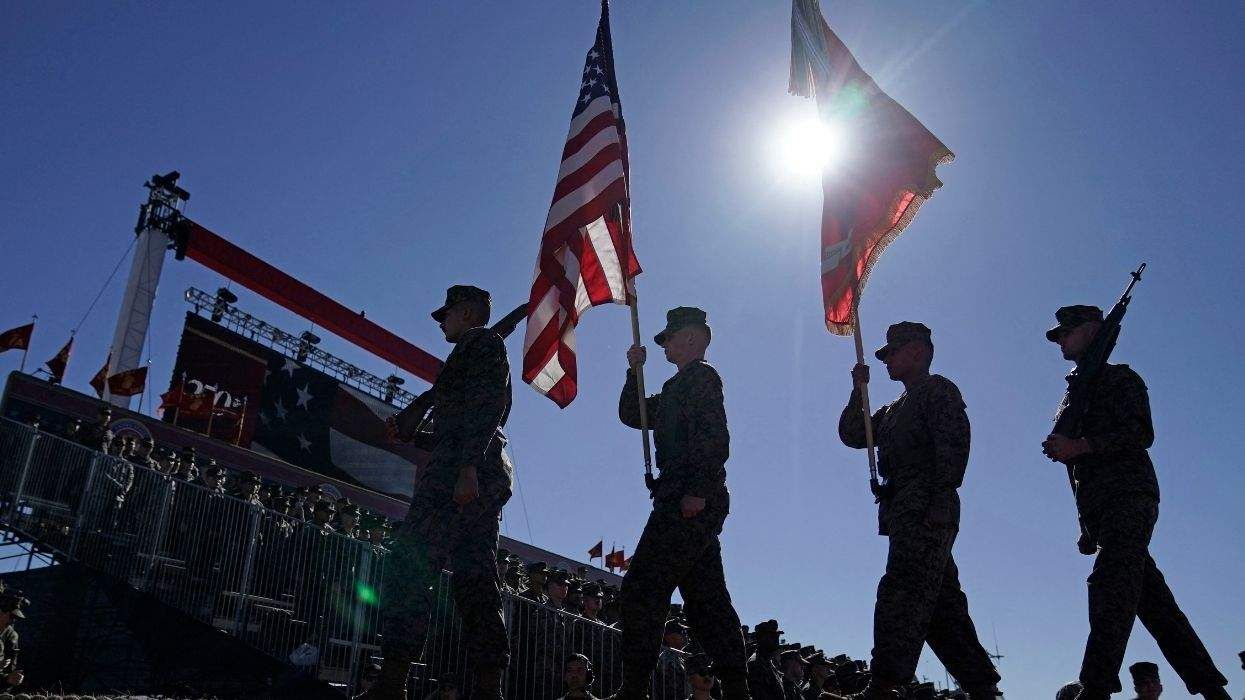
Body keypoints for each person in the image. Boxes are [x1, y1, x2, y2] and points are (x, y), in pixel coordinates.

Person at [1041, 306, 1230, 700]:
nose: (1060, 340)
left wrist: (1081, 444)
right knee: (1155, 604)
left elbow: (1140, 433)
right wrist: (1085, 525)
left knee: (1109, 583)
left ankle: (1095, 687)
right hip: (1101, 508)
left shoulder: (1120, 379)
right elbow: (1073, 466)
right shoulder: (1074, 392)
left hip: (1130, 495)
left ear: (1094, 332)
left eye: (1067, 332)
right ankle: (1212, 688)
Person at [838, 322, 1000, 699]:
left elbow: (954, 442)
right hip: (904, 509)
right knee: (942, 607)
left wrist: (942, 497)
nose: (887, 360)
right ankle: (982, 686)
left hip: (927, 504)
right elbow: (853, 434)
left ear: (918, 352)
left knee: (902, 588)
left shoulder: (937, 390)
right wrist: (858, 390)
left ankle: (883, 684)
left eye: (892, 352)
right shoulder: (894, 410)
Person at [375, 285, 514, 699]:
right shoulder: (471, 351)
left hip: (460, 478)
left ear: (467, 313)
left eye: (447, 314)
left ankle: (392, 682)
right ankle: (488, 689)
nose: (442, 323)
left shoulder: (484, 344)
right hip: (468, 473)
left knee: (410, 566)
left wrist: (468, 466)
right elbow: (460, 425)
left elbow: (492, 407)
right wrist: (418, 435)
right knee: (474, 581)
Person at [617, 307, 751, 700]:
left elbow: (714, 438)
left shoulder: (702, 378)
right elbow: (633, 414)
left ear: (691, 338)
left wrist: (698, 490)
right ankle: (739, 686)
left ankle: (635, 688)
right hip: (682, 497)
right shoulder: (676, 388)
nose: (664, 344)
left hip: (689, 499)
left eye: (669, 337)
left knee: (643, 586)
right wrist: (634, 372)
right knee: (707, 597)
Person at [746, 620, 787, 700]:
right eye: (772, 637)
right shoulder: (755, 664)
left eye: (777, 637)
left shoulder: (769, 663)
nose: (776, 641)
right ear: (761, 638)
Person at [0, 589, 27, 692]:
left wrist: (9, 679)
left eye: (14, 618)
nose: (11, 621)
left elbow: (9, 671)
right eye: (10, 616)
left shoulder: (11, 635)